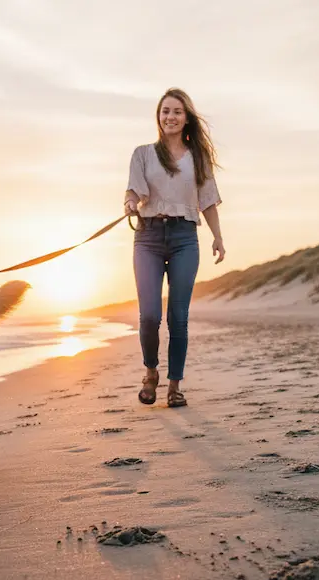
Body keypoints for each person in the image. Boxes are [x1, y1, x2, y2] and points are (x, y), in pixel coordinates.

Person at [124, 87, 225, 408]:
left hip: (184, 238)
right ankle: (151, 373)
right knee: (150, 315)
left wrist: (218, 237)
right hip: (148, 237)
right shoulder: (142, 154)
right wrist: (129, 201)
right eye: (165, 111)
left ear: (186, 118)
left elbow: (208, 201)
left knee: (177, 317)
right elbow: (134, 191)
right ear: (159, 116)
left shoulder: (198, 159)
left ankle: (174, 386)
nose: (170, 117)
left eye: (177, 112)